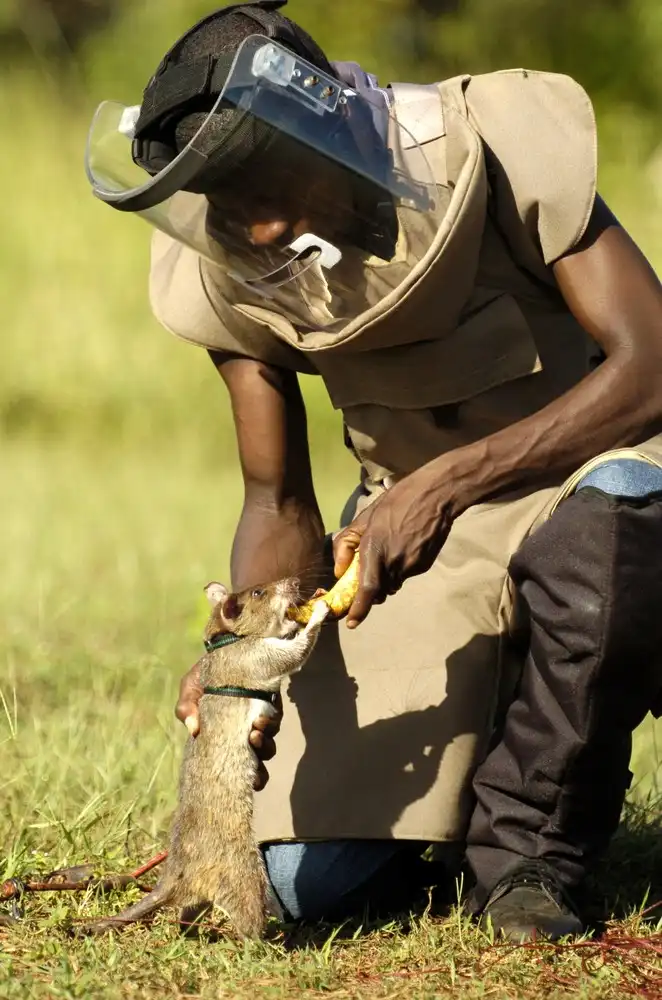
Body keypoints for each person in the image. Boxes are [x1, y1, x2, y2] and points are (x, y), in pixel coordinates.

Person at [85, 0, 662, 941]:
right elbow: (276, 500)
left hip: (598, 472)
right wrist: (239, 667)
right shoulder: (229, 269)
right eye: (227, 207)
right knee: (301, 886)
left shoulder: (501, 143)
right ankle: (471, 778)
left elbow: (653, 366)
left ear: (327, 130)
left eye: (265, 187)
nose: (256, 231)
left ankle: (530, 850)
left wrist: (446, 483)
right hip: (412, 539)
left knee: (622, 513)